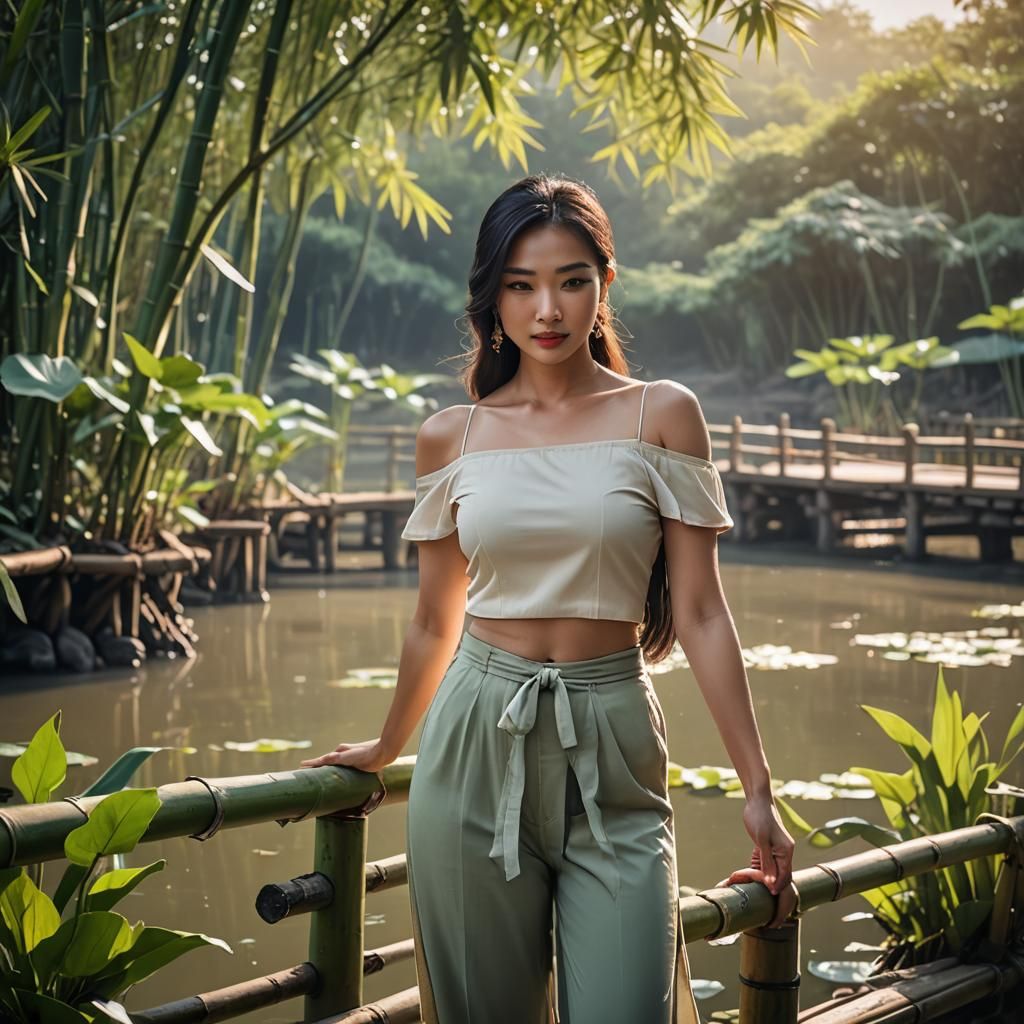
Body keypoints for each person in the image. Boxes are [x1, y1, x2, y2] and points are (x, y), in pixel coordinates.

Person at [301, 174, 797, 1023]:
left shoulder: (662, 416)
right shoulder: (449, 436)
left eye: (571, 280)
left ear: (605, 284)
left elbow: (704, 612)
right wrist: (387, 745)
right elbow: (432, 619)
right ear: (491, 298)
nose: (548, 309)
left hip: (612, 736)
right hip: (471, 738)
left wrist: (758, 786)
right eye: (521, 285)